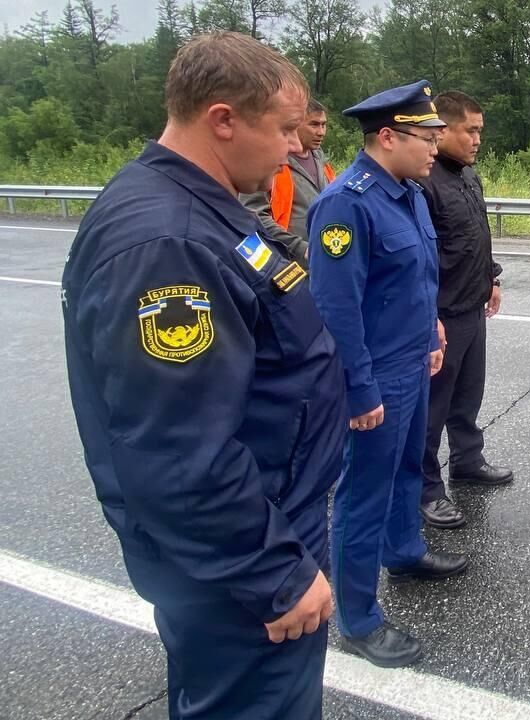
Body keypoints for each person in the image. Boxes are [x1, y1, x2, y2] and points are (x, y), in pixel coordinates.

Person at [61, 32, 344, 719]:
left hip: (266, 527)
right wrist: (275, 572)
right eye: (281, 130)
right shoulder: (169, 244)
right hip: (241, 571)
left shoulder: (208, 209)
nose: (295, 149)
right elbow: (178, 449)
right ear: (223, 119)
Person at [307, 79, 468, 669]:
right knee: (363, 493)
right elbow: (335, 309)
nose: (435, 145)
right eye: (426, 136)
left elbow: (417, 279)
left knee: (406, 468)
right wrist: (358, 387)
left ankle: (403, 551)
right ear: (387, 136)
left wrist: (431, 333)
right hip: (374, 376)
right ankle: (357, 617)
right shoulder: (346, 203)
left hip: (412, 363)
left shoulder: (410, 194)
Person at [416, 91, 513, 531]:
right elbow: (420, 254)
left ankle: (467, 462)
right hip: (442, 314)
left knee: (467, 397)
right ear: (443, 130)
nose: (477, 140)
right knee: (432, 408)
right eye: (470, 131)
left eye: (480, 131)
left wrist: (492, 277)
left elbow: (475, 233)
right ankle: (426, 489)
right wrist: (427, 315)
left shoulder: (469, 176)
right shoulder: (425, 180)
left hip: (472, 307)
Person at [241, 97, 335, 265]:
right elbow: (254, 215)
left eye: (323, 124)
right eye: (314, 124)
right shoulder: (270, 160)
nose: (321, 132)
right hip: (286, 264)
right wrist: (301, 248)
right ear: (295, 124)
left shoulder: (321, 159)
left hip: (324, 261)